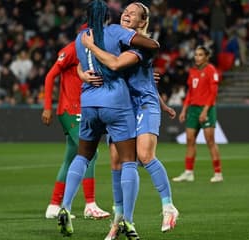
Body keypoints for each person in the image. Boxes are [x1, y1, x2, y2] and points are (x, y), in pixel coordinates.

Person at [56, 0, 160, 238]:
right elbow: (146, 45)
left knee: (82, 156)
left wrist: (83, 74)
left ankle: (66, 206)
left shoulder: (81, 37)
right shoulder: (115, 31)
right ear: (107, 16)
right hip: (116, 103)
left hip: (89, 103)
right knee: (129, 161)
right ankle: (128, 221)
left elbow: (79, 69)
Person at [80, 2, 179, 238]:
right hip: (122, 107)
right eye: (125, 11)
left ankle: (168, 205)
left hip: (143, 104)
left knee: (144, 156)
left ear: (142, 22)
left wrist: (91, 46)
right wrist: (83, 73)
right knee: (117, 162)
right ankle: (119, 220)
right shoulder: (118, 42)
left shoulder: (140, 47)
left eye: (133, 14)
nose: (126, 14)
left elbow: (114, 65)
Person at [41, 39, 110, 220]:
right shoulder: (72, 49)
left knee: (71, 157)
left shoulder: (95, 49)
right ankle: (90, 204)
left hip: (83, 109)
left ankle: (54, 205)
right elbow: (50, 76)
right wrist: (47, 106)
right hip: (70, 110)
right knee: (90, 153)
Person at [172, 45, 224, 183]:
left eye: (200, 55)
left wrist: (205, 111)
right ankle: (189, 173)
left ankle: (218, 173)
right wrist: (184, 109)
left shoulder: (211, 70)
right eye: (196, 54)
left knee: (210, 141)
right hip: (193, 110)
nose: (197, 57)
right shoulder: (193, 71)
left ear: (207, 57)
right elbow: (190, 92)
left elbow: (213, 93)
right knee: (190, 140)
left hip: (207, 109)